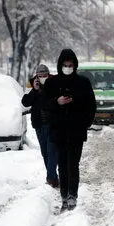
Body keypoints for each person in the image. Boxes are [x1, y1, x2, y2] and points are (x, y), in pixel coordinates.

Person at [43, 49, 96, 211]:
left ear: (75, 65)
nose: (68, 67)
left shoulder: (83, 82)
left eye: (70, 65)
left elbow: (91, 105)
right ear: (60, 65)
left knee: (73, 164)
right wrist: (56, 102)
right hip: (58, 131)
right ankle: (64, 196)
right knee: (62, 164)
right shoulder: (52, 83)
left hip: (76, 131)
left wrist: (85, 122)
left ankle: (73, 195)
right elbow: (44, 105)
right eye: (65, 65)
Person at [21, 64, 58, 188]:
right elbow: (25, 102)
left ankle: (50, 179)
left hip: (52, 124)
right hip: (38, 125)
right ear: (36, 75)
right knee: (45, 153)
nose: (42, 77)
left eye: (45, 75)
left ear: (48, 75)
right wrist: (34, 90)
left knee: (52, 151)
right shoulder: (30, 84)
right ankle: (53, 177)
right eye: (40, 75)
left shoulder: (54, 82)